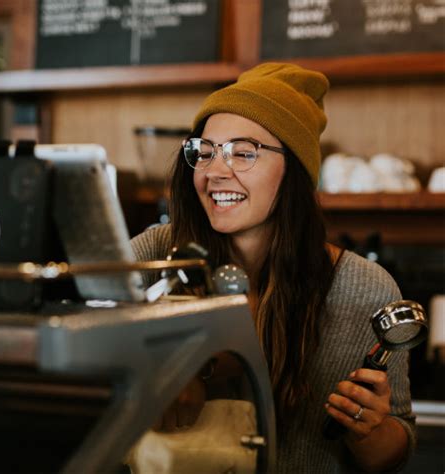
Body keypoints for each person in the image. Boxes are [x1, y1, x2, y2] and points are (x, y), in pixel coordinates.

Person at [131, 63, 415, 473]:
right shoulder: (153, 256)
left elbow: (393, 453)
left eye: (243, 153)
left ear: (294, 171)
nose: (213, 172)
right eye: (205, 151)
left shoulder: (363, 288)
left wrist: (368, 428)